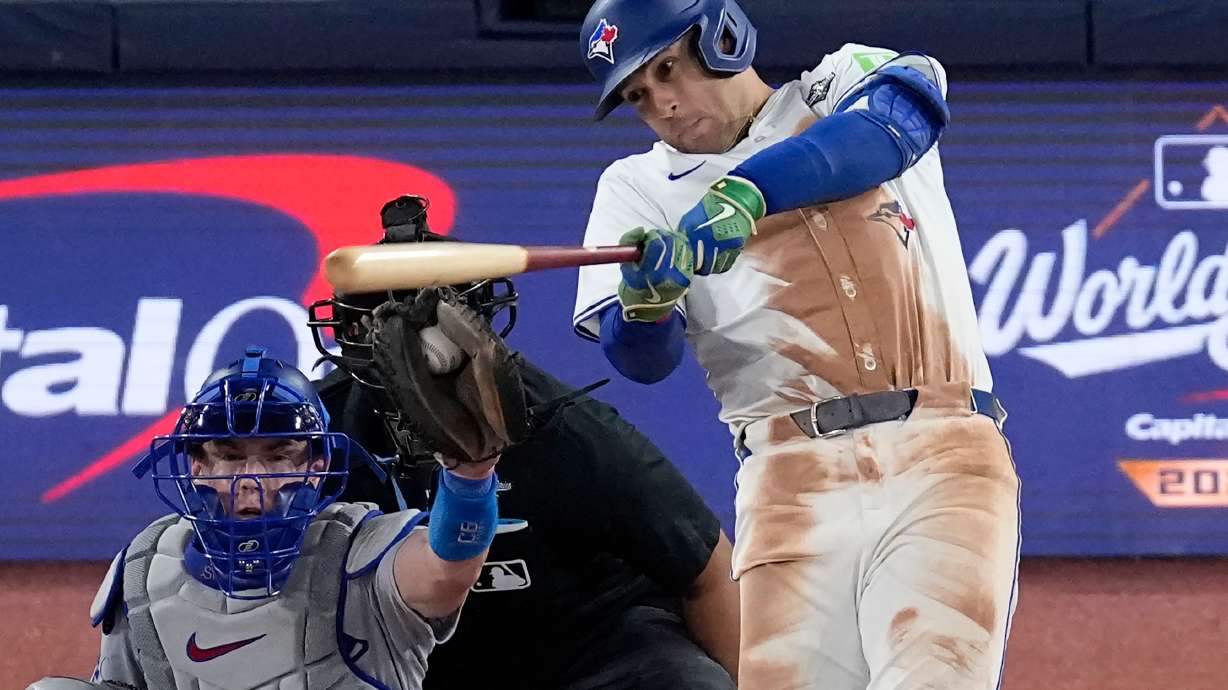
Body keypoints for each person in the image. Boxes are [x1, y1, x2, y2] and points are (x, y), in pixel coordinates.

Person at [572, 1, 1021, 688]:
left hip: (940, 451)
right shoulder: (635, 190)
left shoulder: (843, 82)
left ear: (723, 37)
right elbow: (639, 359)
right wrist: (647, 302)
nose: (661, 102)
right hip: (789, 482)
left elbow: (892, 130)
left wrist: (747, 193)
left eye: (668, 68)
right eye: (638, 95)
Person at [307, 194, 740, 689]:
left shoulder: (566, 430)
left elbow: (706, 570)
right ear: (350, 334)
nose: (412, 343)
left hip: (588, 652)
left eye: (430, 321)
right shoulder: (315, 438)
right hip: (410, 668)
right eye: (380, 323)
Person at [27, 346, 501, 690]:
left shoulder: (362, 552)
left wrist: (469, 480)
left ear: (316, 467)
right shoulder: (148, 565)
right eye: (230, 455)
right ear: (198, 467)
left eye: (278, 456)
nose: (250, 478)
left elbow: (446, 570)